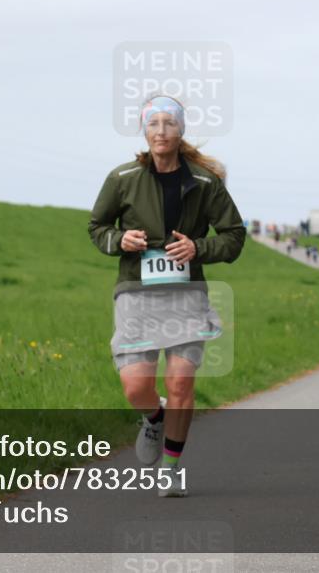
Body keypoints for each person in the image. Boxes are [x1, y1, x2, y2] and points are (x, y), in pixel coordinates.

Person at [89, 95, 245, 498]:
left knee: (180, 383)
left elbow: (233, 237)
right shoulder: (122, 178)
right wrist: (120, 239)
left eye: (169, 123)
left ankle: (171, 469)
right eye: (153, 123)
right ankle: (153, 418)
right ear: (144, 130)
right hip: (136, 293)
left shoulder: (206, 183)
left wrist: (198, 248)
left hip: (187, 293)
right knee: (136, 388)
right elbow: (97, 227)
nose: (161, 131)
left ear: (181, 130)